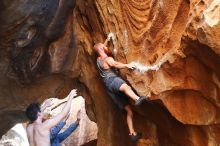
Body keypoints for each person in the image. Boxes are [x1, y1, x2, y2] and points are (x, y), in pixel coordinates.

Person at [93, 43, 149, 141]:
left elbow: (99, 48)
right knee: (126, 87)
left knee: (129, 111)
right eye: (104, 46)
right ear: (102, 48)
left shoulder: (98, 60)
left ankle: (132, 133)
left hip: (109, 88)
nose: (106, 47)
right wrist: (128, 65)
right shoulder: (107, 58)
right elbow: (114, 64)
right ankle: (137, 99)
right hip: (113, 80)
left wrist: (104, 44)